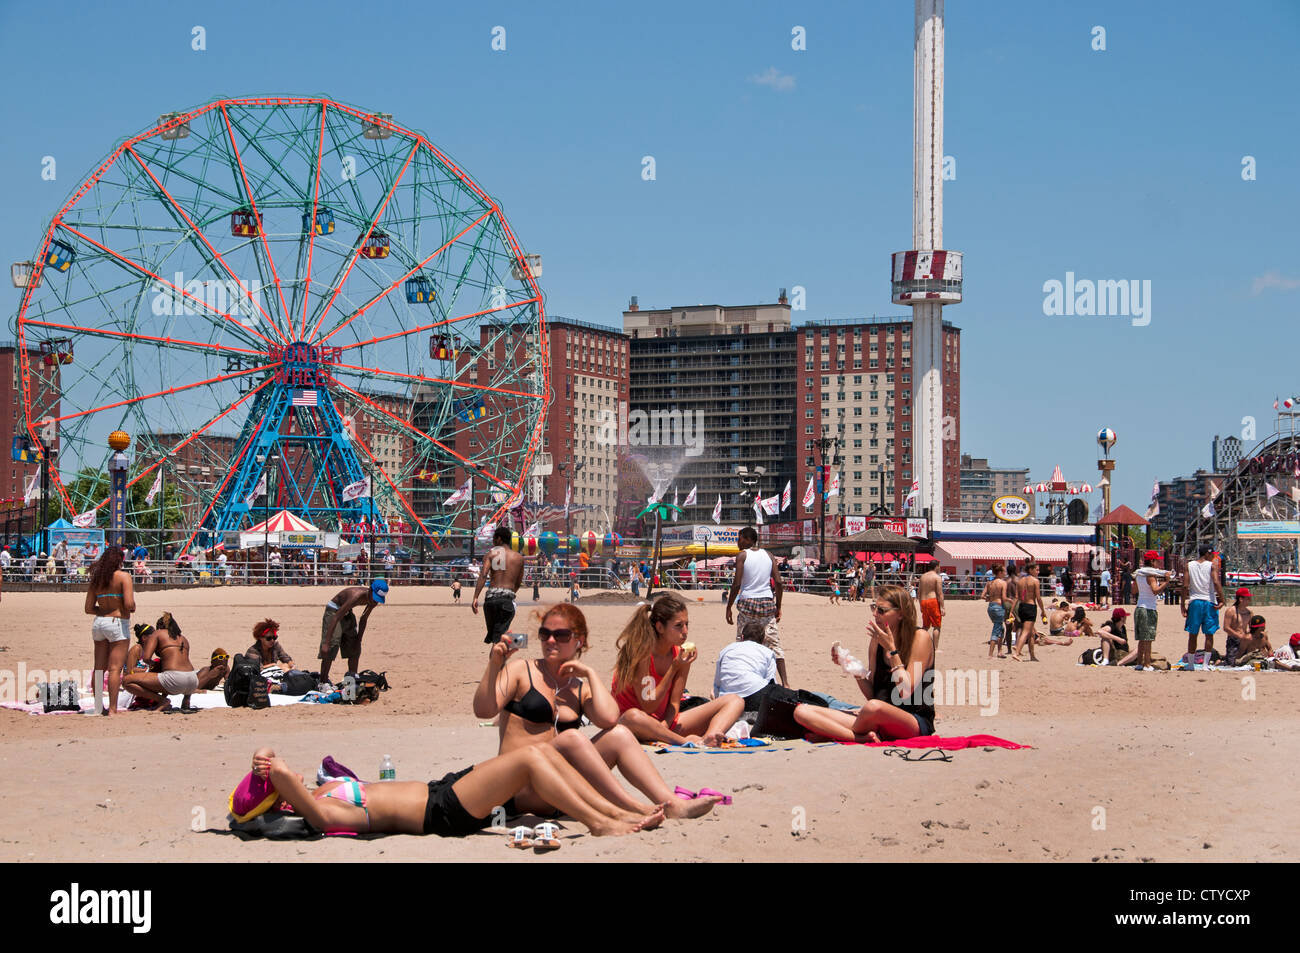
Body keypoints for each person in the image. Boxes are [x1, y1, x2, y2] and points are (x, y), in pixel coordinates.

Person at [473, 604, 722, 821]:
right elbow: (483, 711)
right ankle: (630, 807)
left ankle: (673, 804)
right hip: (523, 786)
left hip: (562, 790)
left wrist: (590, 675)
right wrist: (495, 665)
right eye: (544, 634)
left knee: (620, 735)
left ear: (578, 641)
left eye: (560, 635)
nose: (550, 641)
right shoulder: (520, 670)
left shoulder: (578, 687)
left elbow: (610, 719)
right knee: (571, 738)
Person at [246, 743, 665, 840]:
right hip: (442, 813)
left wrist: (260, 761)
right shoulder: (323, 813)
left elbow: (269, 753)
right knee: (528, 761)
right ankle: (598, 823)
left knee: (542, 752)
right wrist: (274, 774)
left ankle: (615, 813)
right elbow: (303, 802)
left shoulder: (326, 788)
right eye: (279, 783)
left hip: (443, 789)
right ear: (281, 797)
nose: (289, 774)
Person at [792, 584, 935, 742]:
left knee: (873, 708)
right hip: (877, 718)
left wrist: (892, 650)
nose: (875, 614)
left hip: (913, 721)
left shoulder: (920, 638)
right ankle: (860, 737)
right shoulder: (876, 640)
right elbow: (873, 693)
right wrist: (852, 667)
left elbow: (906, 691)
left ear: (900, 614)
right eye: (874, 607)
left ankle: (834, 734)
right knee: (801, 712)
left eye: (881, 610)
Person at [613, 593, 745, 747]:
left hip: (664, 724)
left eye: (687, 624)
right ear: (660, 627)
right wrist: (674, 668)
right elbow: (648, 705)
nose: (685, 631)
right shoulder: (641, 654)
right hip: (634, 725)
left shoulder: (680, 654)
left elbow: (675, 703)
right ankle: (686, 742)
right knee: (633, 716)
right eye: (678, 625)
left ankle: (710, 737)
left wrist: (664, 726)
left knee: (735, 701)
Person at [124, 613, 229, 711]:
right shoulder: (184, 639)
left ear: (160, 627)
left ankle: (162, 700)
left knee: (127, 681)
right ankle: (186, 702)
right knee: (177, 674)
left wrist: (153, 665)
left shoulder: (158, 633)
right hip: (192, 681)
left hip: (175, 681)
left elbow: (146, 658)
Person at [724, 526, 787, 687]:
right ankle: (785, 683)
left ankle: (740, 679)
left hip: (748, 603)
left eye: (740, 538)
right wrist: (778, 606)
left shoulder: (742, 556)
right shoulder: (769, 555)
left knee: (742, 641)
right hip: (766, 603)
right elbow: (779, 582)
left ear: (748, 539)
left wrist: (729, 606)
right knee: (773, 643)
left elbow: (737, 584)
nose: (738, 542)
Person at [84, 544, 136, 716]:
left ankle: (99, 707)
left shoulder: (98, 579)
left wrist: (104, 612)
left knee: (99, 668)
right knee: (115, 669)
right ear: (119, 560)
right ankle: (113, 709)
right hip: (117, 623)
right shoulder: (123, 577)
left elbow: (89, 608)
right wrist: (131, 608)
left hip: (99, 623)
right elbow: (128, 603)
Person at [319, 580, 387, 689]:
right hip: (334, 611)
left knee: (355, 649)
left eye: (378, 599)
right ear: (370, 590)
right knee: (332, 645)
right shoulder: (355, 596)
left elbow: (364, 619)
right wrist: (326, 642)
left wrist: (358, 640)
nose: (375, 601)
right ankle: (323, 682)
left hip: (347, 613)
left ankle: (352, 681)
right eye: (374, 598)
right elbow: (336, 617)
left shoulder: (373, 600)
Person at [472, 527, 524, 645]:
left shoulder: (491, 554)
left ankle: (517, 642)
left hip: (490, 600)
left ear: (499, 539)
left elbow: (483, 575)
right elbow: (517, 583)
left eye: (493, 538)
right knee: (499, 640)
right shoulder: (518, 558)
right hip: (506, 599)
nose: (492, 541)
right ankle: (520, 642)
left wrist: (475, 597)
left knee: (497, 637)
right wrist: (508, 594)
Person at [713, 621, 779, 711]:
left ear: (742, 637)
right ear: (763, 641)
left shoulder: (726, 650)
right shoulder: (767, 652)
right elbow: (771, 682)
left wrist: (718, 699)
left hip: (727, 700)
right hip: (754, 697)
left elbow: (718, 682)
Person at [1130, 550, 1170, 669]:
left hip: (1139, 606)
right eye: (1157, 561)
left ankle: (1139, 663)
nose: (1158, 563)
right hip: (1149, 608)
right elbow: (1155, 590)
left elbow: (1134, 591)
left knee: (1142, 638)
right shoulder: (1150, 575)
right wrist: (1166, 582)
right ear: (1152, 562)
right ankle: (1147, 664)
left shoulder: (1139, 574)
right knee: (1148, 638)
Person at [1182, 544, 1224, 655]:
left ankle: (1191, 664)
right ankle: (1205, 664)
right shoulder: (1211, 566)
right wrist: (1222, 600)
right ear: (1207, 553)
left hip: (1195, 601)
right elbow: (1216, 582)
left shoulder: (1189, 565)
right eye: (1212, 554)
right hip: (1208, 601)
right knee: (1209, 634)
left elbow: (1185, 586)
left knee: (1193, 634)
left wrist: (1182, 605)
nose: (1213, 557)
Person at [1010, 560, 1047, 662]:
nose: (1038, 572)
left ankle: (1032, 655)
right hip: (1030, 607)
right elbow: (1038, 598)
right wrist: (1043, 611)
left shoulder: (1020, 581)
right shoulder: (1035, 581)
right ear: (1030, 570)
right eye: (1036, 570)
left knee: (1030, 633)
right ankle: (1017, 653)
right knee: (1026, 632)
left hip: (1021, 607)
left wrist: (1011, 611)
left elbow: (1016, 597)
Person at [1221, 587, 1254, 666]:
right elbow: (1226, 627)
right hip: (1233, 640)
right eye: (1248, 598)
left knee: (1247, 662)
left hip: (1245, 641)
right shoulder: (1231, 611)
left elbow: (1252, 628)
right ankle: (1221, 660)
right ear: (1241, 599)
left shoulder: (1249, 612)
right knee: (1232, 663)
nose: (1250, 601)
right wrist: (1239, 635)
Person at [982, 564, 1008, 658]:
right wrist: (1011, 600)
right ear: (1000, 572)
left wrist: (989, 599)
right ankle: (990, 654)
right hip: (998, 607)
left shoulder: (989, 583)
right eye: (1004, 571)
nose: (1005, 573)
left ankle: (1000, 652)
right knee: (996, 629)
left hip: (991, 607)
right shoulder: (1003, 583)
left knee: (1001, 628)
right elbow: (1004, 598)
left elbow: (982, 596)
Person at [917, 566, 946, 652]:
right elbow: (940, 593)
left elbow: (919, 592)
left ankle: (919, 644)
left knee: (925, 626)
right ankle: (935, 648)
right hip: (933, 601)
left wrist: (920, 604)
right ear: (936, 567)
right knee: (936, 626)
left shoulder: (923, 577)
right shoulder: (937, 577)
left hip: (923, 601)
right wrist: (942, 607)